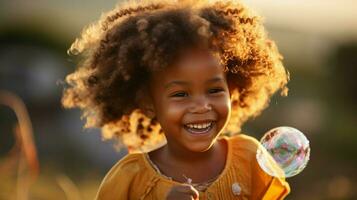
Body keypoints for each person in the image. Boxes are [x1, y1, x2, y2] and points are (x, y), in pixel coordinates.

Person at [61, 0, 290, 199]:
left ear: (233, 90)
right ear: (148, 103)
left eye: (214, 90)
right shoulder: (129, 180)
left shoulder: (250, 160)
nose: (202, 106)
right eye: (180, 94)